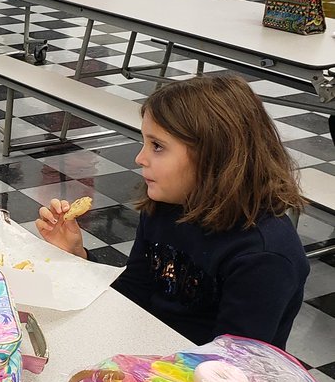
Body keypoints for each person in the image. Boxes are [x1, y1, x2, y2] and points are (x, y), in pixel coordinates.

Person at [35, 75, 309, 349]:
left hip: (204, 380)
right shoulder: (167, 206)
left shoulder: (264, 255)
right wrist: (78, 257)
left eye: (157, 146)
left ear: (214, 154)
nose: (140, 158)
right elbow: (133, 293)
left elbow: (231, 369)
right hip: (148, 353)